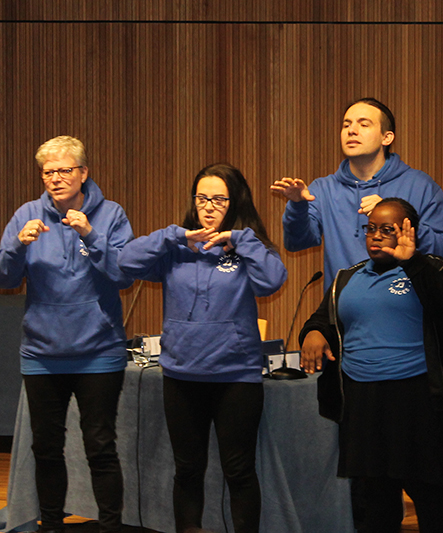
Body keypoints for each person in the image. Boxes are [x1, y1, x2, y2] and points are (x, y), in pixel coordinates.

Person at [118, 163, 287, 533]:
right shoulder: (176, 249)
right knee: (189, 469)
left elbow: (273, 280)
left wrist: (240, 240)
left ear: (235, 202)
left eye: (219, 199)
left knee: (239, 471)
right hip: (182, 374)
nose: (208, 206)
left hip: (236, 377)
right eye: (202, 198)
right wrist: (173, 236)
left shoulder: (246, 247)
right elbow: (126, 262)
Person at [299, 197, 443, 533]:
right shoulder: (347, 278)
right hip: (362, 400)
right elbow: (323, 318)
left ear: (409, 232)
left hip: (418, 399)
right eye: (371, 229)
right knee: (372, 497)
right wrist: (313, 333)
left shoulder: (433, 268)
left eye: (387, 230)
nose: (375, 236)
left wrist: (413, 262)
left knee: (428, 494)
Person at [0, 136, 133, 533]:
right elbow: (5, 277)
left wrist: (91, 235)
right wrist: (17, 248)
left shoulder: (111, 214)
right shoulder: (27, 214)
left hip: (99, 351)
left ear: (83, 173)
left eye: (64, 171)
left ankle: (111, 526)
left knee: (100, 448)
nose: (55, 179)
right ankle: (51, 525)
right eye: (48, 173)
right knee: (46, 449)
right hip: (42, 353)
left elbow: (124, 275)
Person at [271, 97, 443, 289]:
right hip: (344, 311)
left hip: (405, 307)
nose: (352, 130)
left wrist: (396, 219)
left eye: (364, 124)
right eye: (346, 125)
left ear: (387, 137)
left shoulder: (420, 186)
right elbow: (295, 243)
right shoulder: (323, 189)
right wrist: (297, 206)